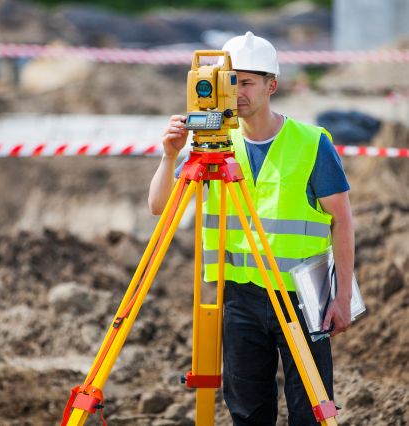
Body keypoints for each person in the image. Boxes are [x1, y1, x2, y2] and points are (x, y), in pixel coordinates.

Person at [148, 31, 354, 426]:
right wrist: (168, 156)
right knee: (247, 414)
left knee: (309, 411)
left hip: (301, 297)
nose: (235, 93)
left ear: (271, 85)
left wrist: (341, 297)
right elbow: (159, 206)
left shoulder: (311, 144)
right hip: (239, 297)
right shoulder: (214, 146)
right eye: (230, 82)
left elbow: (342, 221)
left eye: (245, 83)